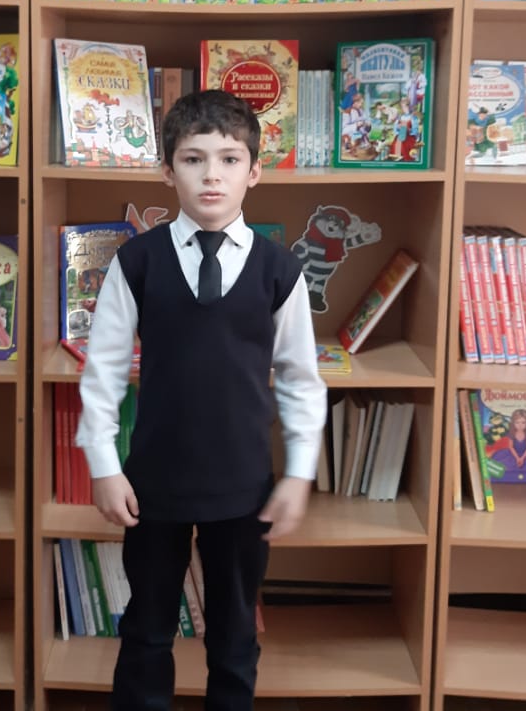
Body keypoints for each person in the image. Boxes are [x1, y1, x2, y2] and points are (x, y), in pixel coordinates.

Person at [76, 89, 327, 711]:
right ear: (168, 171)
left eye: (229, 159)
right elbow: (103, 370)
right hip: (154, 484)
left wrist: (299, 472)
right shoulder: (136, 262)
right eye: (193, 159)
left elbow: (300, 378)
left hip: (243, 486)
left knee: (235, 635)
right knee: (147, 628)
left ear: (254, 172)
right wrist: (103, 464)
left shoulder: (279, 270)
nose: (212, 175)